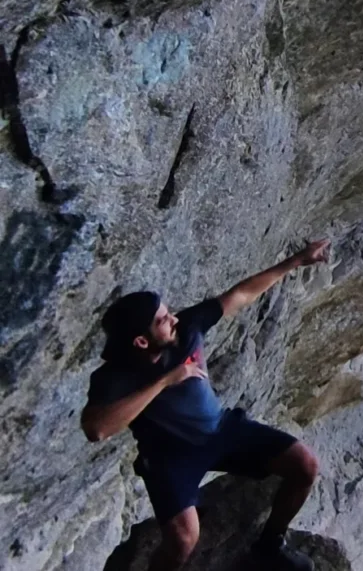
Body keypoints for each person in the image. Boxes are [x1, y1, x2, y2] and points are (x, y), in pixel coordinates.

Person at [81, 240, 331, 571]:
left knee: (305, 466)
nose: (172, 318)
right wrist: (164, 381)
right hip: (171, 457)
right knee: (183, 539)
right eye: (162, 319)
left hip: (222, 428)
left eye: (167, 311)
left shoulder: (186, 328)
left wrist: (297, 261)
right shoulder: (116, 376)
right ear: (141, 341)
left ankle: (270, 544)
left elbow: (239, 296)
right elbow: (97, 429)